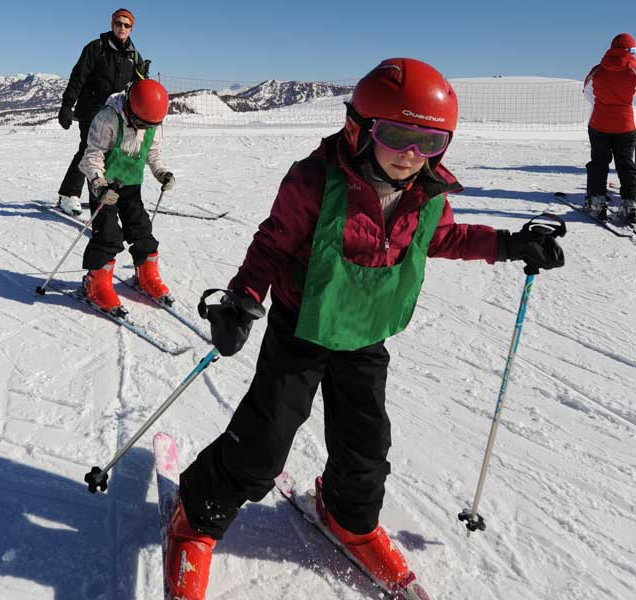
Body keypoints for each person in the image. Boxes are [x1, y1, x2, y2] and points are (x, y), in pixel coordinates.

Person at [164, 58, 565, 600]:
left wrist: (507, 244)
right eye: (397, 135)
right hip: (302, 327)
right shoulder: (314, 179)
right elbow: (272, 244)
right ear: (360, 128)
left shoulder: (425, 190)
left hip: (364, 333)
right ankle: (198, 511)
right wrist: (242, 299)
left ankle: (346, 513)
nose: (410, 154)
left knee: (366, 447)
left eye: (430, 142)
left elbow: (441, 239)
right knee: (263, 441)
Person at [77, 78, 175, 313]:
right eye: (140, 123)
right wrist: (98, 184)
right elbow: (92, 154)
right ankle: (96, 283)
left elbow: (152, 151)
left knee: (141, 228)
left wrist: (161, 172)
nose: (143, 128)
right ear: (131, 108)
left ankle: (146, 274)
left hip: (132, 185)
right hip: (105, 187)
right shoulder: (108, 118)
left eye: (148, 125)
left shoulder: (151, 123)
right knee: (108, 233)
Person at [56, 8, 150, 216]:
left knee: (111, 154)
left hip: (117, 114)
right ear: (112, 24)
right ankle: (68, 195)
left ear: (131, 28)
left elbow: (137, 88)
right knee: (89, 150)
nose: (122, 28)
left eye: (127, 25)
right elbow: (78, 76)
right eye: (118, 23)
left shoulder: (134, 55)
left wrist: (143, 80)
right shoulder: (96, 48)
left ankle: (105, 191)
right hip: (92, 108)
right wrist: (67, 104)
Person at [582, 33, 636, 223]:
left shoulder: (598, 70)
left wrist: (604, 105)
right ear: (629, 50)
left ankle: (596, 203)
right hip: (625, 124)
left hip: (599, 123)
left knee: (599, 163)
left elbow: (587, 92)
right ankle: (630, 204)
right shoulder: (633, 69)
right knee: (625, 163)